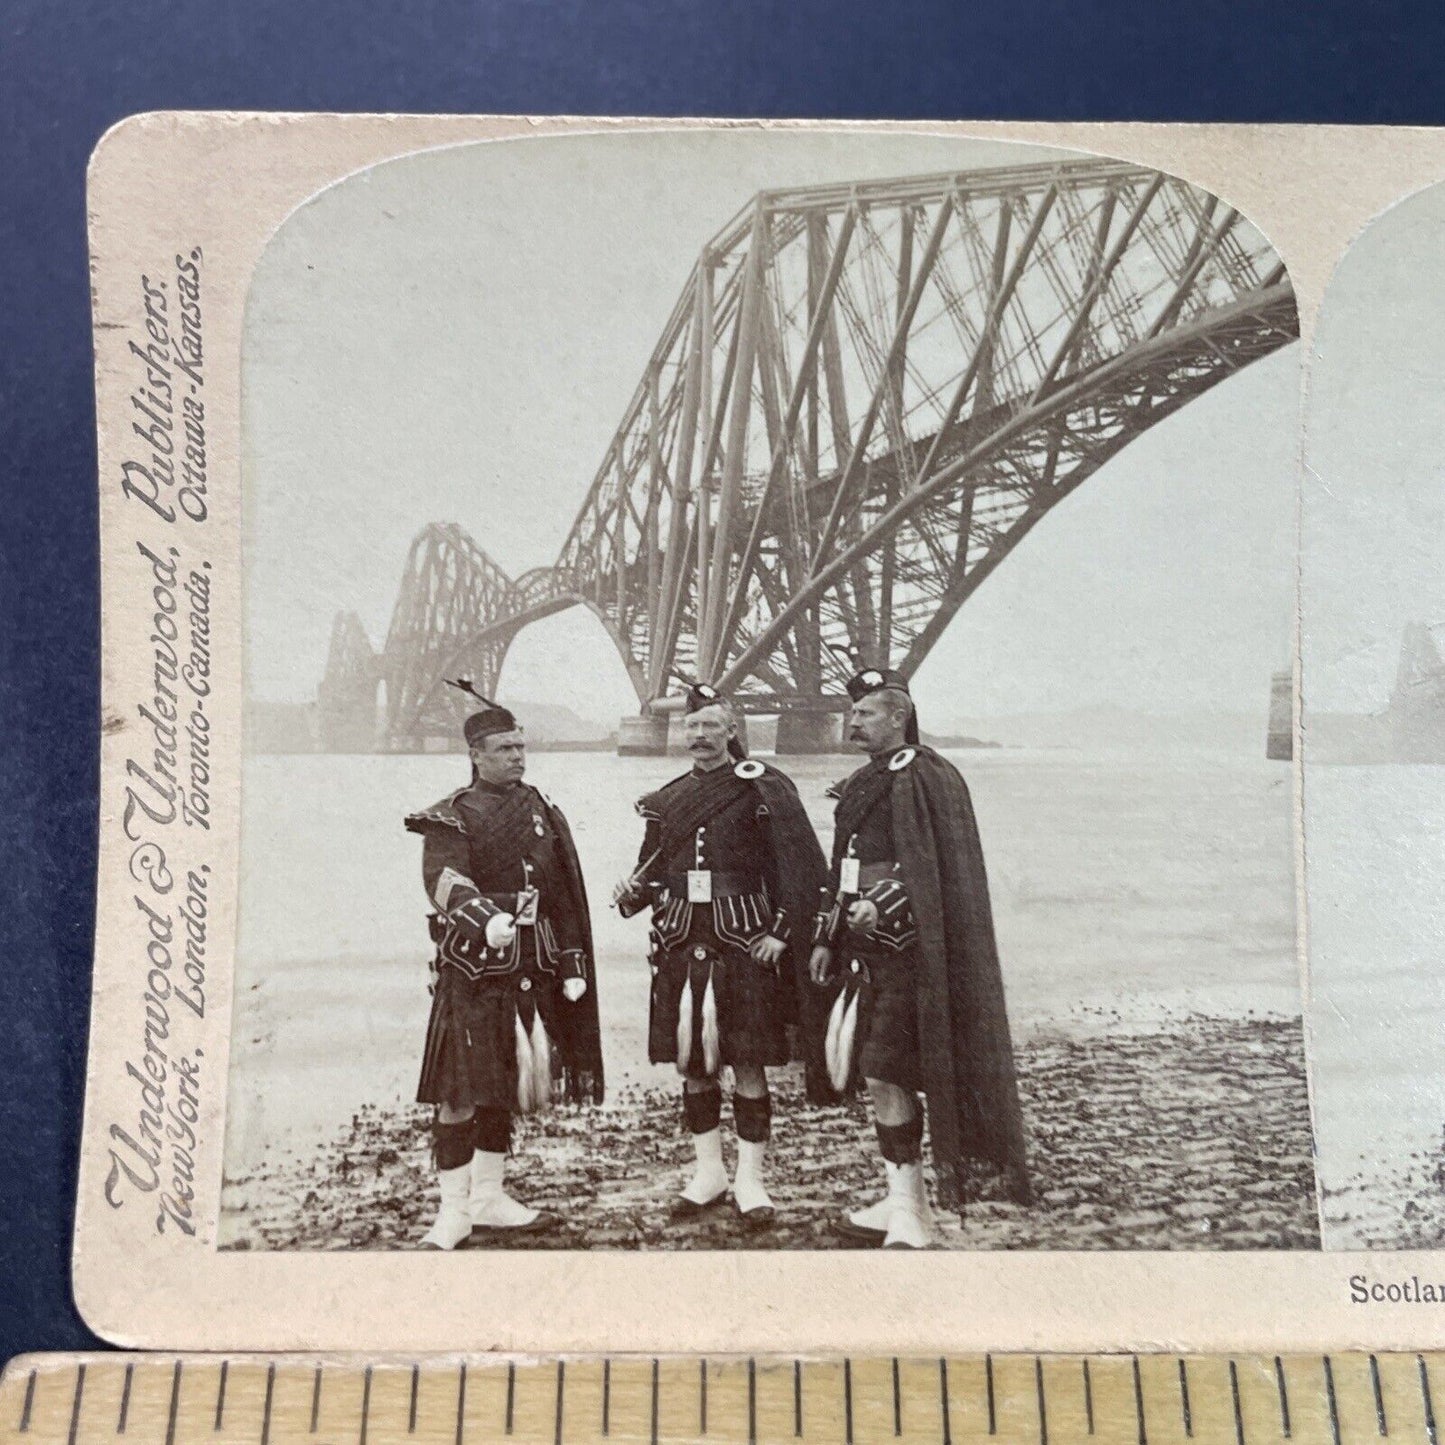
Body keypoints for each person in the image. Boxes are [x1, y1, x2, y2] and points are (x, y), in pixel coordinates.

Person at [809, 668, 1031, 1248]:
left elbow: (937, 871)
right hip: (864, 957)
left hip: (915, 958)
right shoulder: (863, 783)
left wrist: (884, 906)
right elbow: (844, 869)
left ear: (899, 716)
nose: (853, 722)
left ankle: (909, 1211)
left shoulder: (929, 776)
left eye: (866, 714)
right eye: (853, 713)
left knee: (888, 1071)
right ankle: (904, 1201)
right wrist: (826, 937)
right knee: (879, 1073)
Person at [613, 684, 828, 1225]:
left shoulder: (764, 789)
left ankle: (752, 1182)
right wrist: (631, 896)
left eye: (711, 726)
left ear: (732, 731)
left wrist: (782, 931)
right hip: (682, 942)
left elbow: (798, 869)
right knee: (694, 1064)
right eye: (692, 727)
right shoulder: (666, 799)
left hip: (745, 944)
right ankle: (708, 1174)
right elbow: (653, 868)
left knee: (749, 1063)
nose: (700, 736)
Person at [404, 682, 603, 1249]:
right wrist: (483, 917)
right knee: (457, 1092)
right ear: (476, 755)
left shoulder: (542, 810)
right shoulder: (450, 815)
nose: (517, 756)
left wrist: (569, 961)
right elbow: (443, 881)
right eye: (505, 749)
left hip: (530, 967)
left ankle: (489, 1197)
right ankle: (452, 1212)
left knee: (506, 1084)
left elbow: (563, 895)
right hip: (471, 969)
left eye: (520, 747)